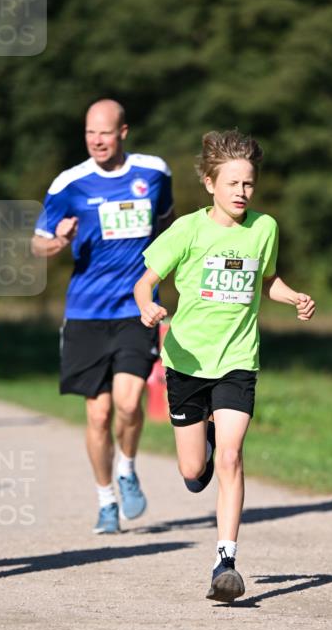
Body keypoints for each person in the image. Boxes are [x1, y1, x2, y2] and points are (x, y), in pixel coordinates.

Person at [134, 129, 315, 602]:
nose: (241, 192)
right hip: (187, 361)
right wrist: (147, 307)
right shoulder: (188, 230)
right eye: (232, 183)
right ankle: (205, 444)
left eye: (249, 184)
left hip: (237, 359)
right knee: (194, 471)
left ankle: (225, 561)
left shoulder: (265, 228)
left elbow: (267, 280)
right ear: (210, 184)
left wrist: (292, 295)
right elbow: (145, 281)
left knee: (233, 456)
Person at [31, 99, 173, 534]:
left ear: (123, 132)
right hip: (86, 312)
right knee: (98, 414)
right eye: (90, 133)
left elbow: (169, 228)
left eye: (106, 133)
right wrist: (58, 240)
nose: (97, 140)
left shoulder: (154, 173)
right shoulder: (69, 183)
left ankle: (127, 467)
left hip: (135, 308)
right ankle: (105, 499)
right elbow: (38, 245)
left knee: (130, 404)